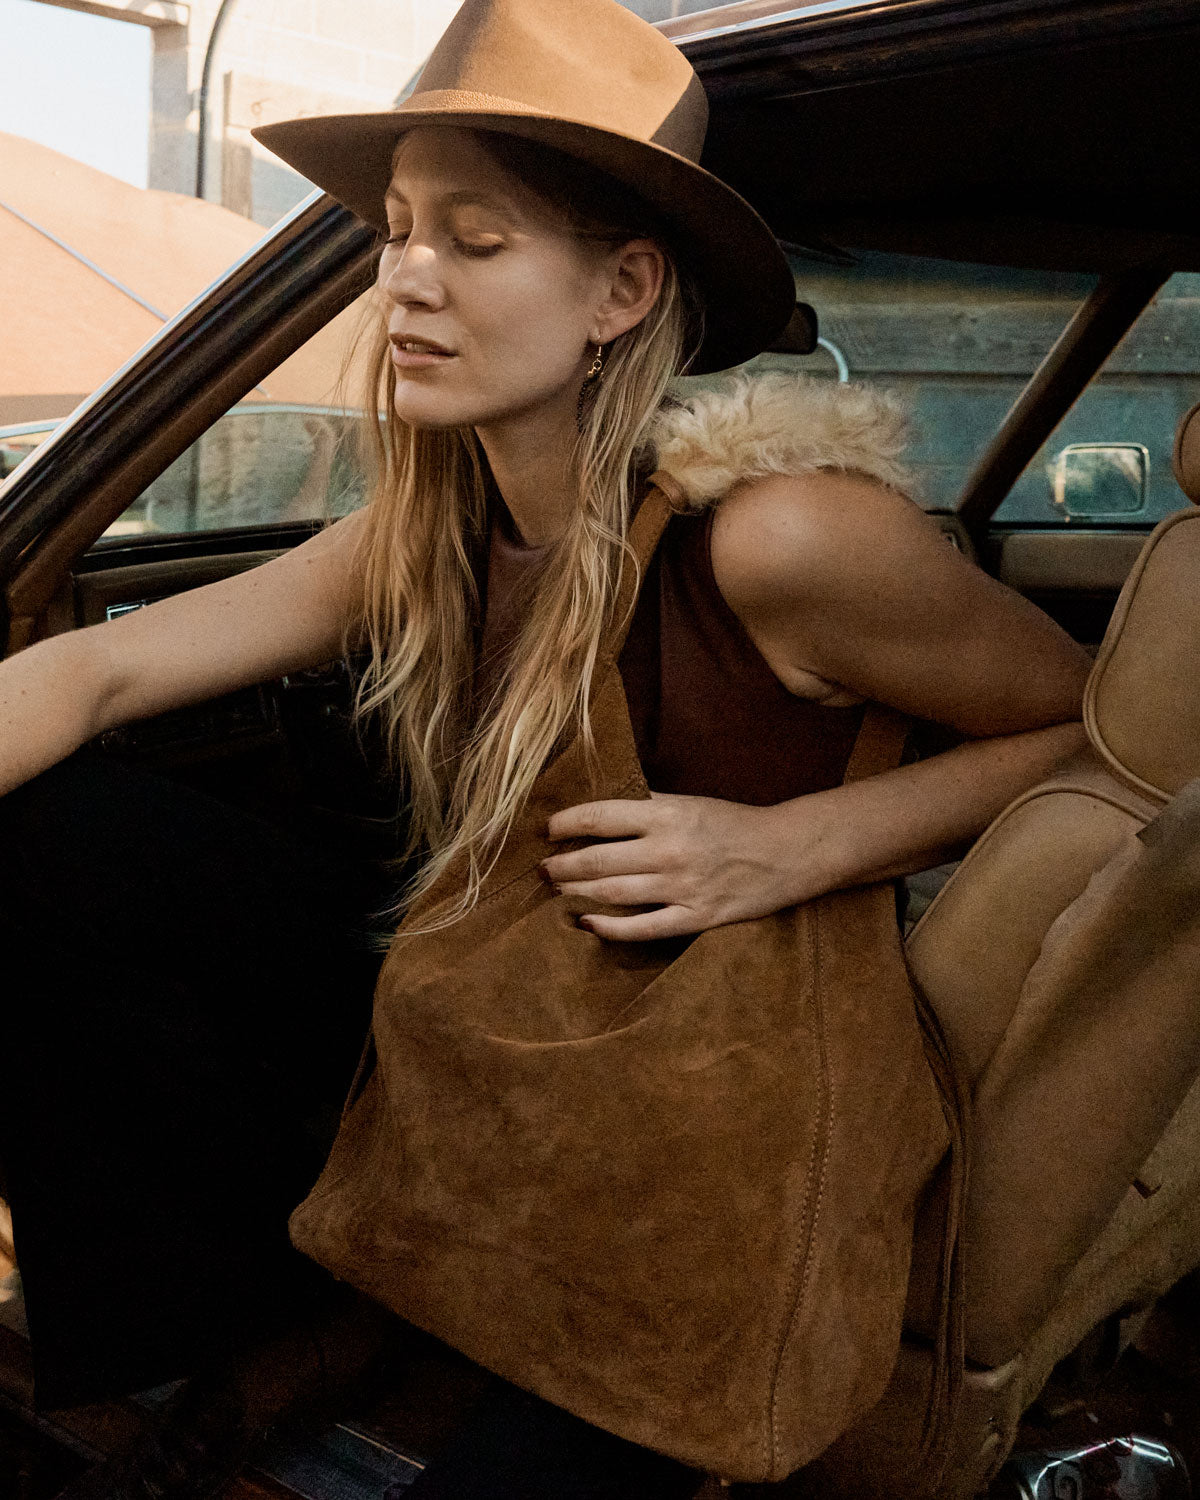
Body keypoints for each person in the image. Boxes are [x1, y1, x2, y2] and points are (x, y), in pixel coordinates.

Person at [0, 0, 1092, 1495]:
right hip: (502, 1015)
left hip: (693, 1122)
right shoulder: (428, 531)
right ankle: (224, 1331)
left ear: (622, 290)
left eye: (475, 238)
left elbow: (1091, 730)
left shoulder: (779, 536)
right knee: (56, 836)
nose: (403, 280)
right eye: (392, 231)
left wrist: (788, 846)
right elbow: (101, 665)